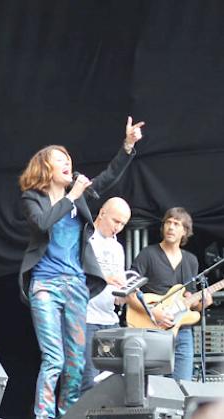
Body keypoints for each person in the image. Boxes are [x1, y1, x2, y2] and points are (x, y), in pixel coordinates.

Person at [18, 116, 144, 419]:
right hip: (45, 284)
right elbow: (42, 224)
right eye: (59, 159)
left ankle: (68, 414)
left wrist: (127, 146)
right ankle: (44, 416)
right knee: (53, 358)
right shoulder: (32, 198)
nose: (67, 163)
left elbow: (108, 177)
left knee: (75, 362)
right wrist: (71, 197)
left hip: (75, 284)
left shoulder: (81, 197)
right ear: (45, 168)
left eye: (68, 159)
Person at [131, 207, 213, 381]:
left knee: (183, 387)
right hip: (154, 330)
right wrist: (153, 312)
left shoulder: (191, 260)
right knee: (155, 387)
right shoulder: (148, 254)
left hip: (182, 331)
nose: (171, 227)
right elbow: (130, 291)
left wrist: (202, 302)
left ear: (185, 231)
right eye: (168, 222)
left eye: (176, 224)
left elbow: (189, 301)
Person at [81, 197, 131, 393]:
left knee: (109, 380)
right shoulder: (85, 239)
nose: (118, 227)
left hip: (109, 320)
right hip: (86, 319)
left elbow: (116, 284)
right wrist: (105, 277)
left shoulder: (117, 247)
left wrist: (122, 296)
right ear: (102, 213)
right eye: (116, 221)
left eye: (123, 224)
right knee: (88, 380)